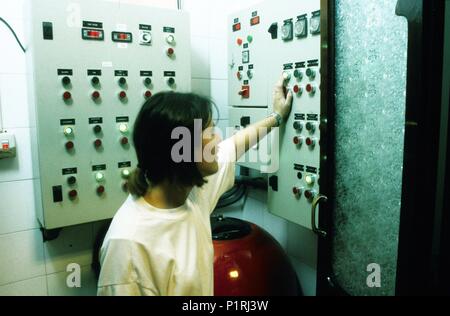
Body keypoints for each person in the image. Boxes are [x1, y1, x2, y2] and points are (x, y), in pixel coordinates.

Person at [97, 76, 293, 296]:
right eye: (209, 134)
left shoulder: (190, 191)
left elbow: (236, 144)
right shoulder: (129, 245)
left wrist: (276, 117)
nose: (218, 140)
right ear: (181, 152)